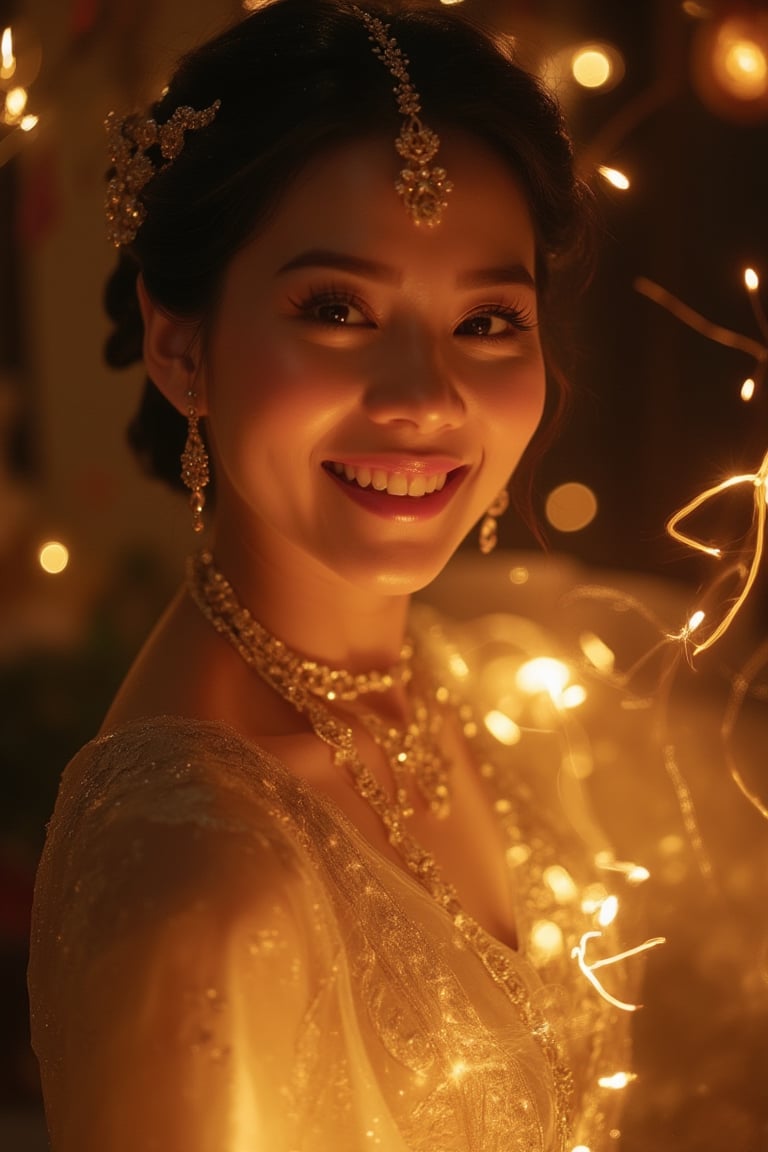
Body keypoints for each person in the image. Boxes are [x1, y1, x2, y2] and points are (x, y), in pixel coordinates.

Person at [28, 2, 640, 1148]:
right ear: (181, 346)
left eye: (487, 319)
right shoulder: (200, 885)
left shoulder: (450, 685)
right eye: (336, 309)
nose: (426, 396)